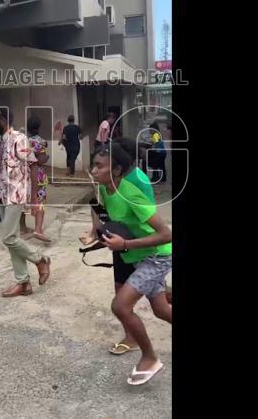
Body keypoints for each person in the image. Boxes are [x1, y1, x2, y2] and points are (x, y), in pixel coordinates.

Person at [91, 142, 172, 385]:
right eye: (93, 165)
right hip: (139, 257)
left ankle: (149, 357)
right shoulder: (105, 189)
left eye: (99, 166)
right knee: (160, 310)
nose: (93, 170)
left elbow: (166, 234)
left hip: (157, 256)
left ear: (116, 170)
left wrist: (124, 245)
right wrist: (98, 230)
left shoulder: (132, 192)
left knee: (120, 305)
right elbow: (106, 215)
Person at [0, 109, 52, 297]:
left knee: (8, 238)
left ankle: (40, 260)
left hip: (16, 194)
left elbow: (33, 166)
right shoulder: (0, 140)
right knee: (13, 239)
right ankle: (23, 283)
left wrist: (34, 198)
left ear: (3, 120)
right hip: (2, 194)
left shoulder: (19, 138)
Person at [20, 115, 51, 243]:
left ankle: (22, 228)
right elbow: (41, 160)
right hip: (37, 175)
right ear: (38, 127)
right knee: (40, 200)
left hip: (23, 174)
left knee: (22, 202)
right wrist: (46, 158)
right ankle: (38, 229)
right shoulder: (41, 142)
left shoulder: (24, 141)